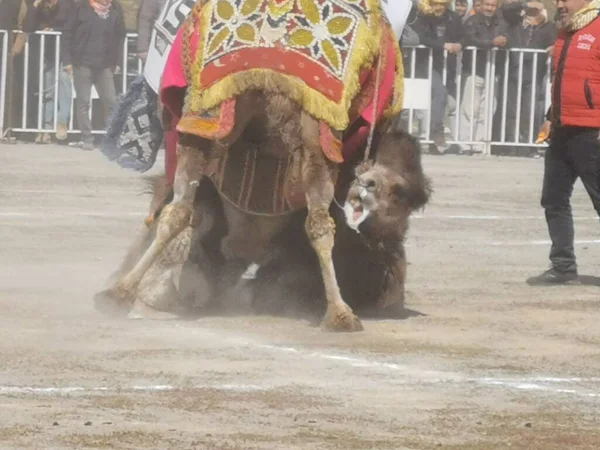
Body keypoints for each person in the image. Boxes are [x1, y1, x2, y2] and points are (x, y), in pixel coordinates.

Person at [528, 0, 600, 285]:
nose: (560, 4)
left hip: (592, 132)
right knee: (554, 199)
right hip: (562, 129)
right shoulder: (564, 32)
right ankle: (563, 266)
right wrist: (550, 116)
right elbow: (560, 81)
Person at [62, 0, 126, 150]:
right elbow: (67, 34)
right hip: (82, 62)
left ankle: (111, 138)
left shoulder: (115, 8)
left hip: (105, 64)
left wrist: (118, 61)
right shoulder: (79, 7)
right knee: (83, 102)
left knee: (111, 101)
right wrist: (67, 61)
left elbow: (120, 36)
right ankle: (87, 138)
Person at [23, 0, 74, 143]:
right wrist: (34, 6)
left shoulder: (68, 4)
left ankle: (62, 123)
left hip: (66, 53)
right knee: (47, 91)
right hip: (48, 53)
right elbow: (27, 27)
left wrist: (53, 29)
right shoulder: (39, 5)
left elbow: (72, 26)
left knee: (65, 88)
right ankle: (46, 128)